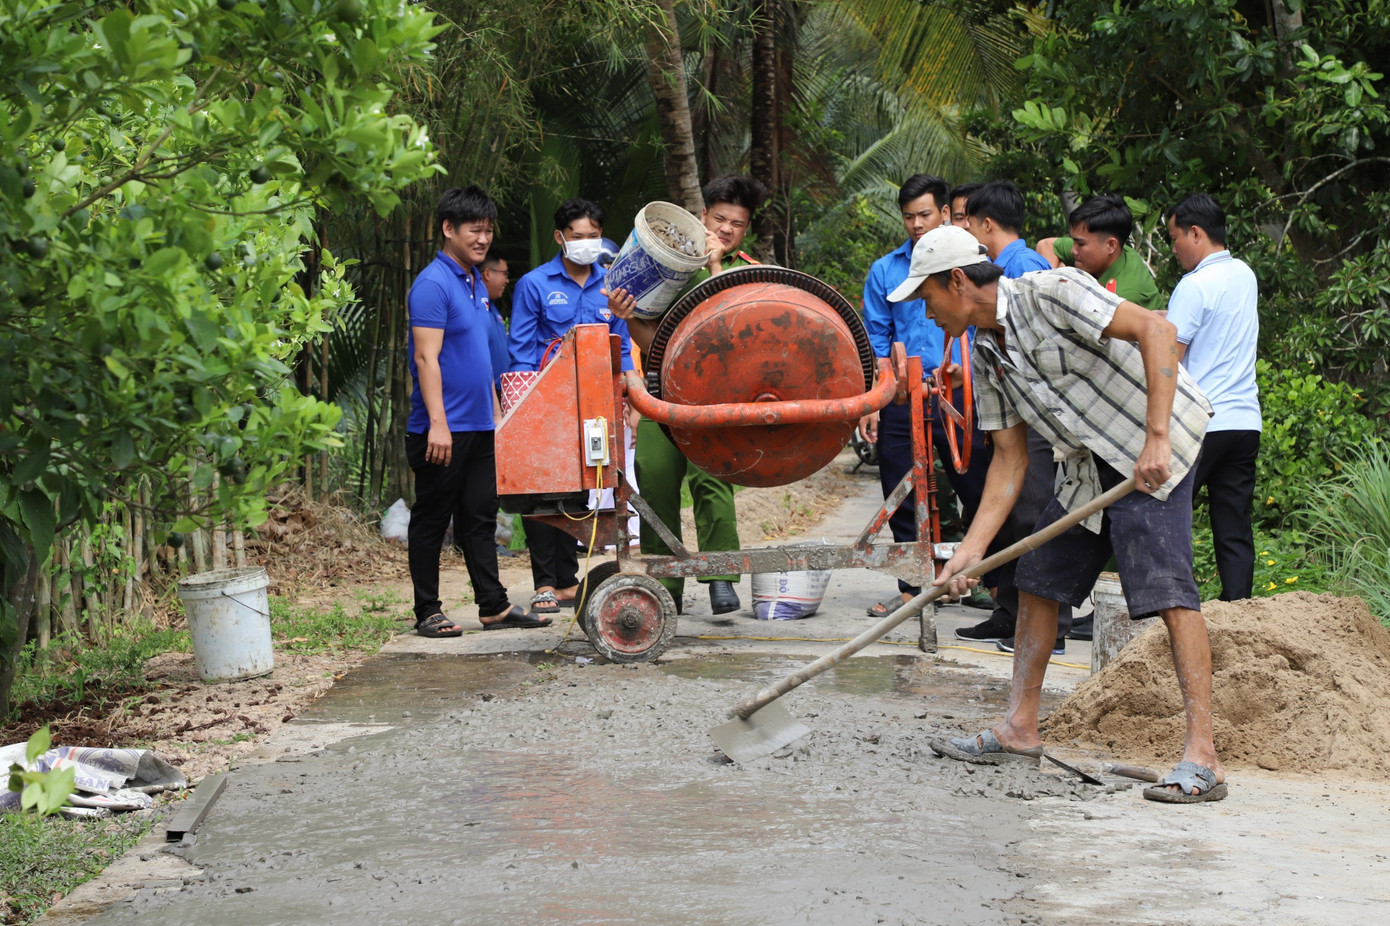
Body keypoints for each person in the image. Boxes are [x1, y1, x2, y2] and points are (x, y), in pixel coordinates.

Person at [896, 225, 1224, 804]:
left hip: (1153, 449)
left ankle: (1204, 757)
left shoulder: (1053, 291)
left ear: (956, 282)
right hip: (1087, 469)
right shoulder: (987, 352)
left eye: (926, 298)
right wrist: (971, 552)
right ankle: (1020, 726)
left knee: (1167, 589)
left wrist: (1154, 440)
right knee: (1038, 581)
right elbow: (1009, 460)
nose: (926, 313)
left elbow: (1158, 329)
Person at [610, 174, 768, 615]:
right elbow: (651, 340)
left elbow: (731, 328)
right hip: (666, 393)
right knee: (654, 476)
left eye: (736, 223)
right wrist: (625, 316)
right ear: (702, 217)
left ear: (745, 230)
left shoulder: (747, 271)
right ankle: (667, 588)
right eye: (719, 218)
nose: (726, 228)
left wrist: (715, 267)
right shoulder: (671, 264)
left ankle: (720, 577)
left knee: (711, 478)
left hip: (716, 396)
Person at [404, 186, 549, 636]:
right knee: (432, 519)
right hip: (441, 430)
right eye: (474, 230)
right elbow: (426, 359)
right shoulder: (432, 284)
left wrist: (496, 413)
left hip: (480, 424)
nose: (483, 239)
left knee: (480, 517)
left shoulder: (474, 282)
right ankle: (427, 610)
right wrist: (439, 426)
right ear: (449, 229)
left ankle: (494, 606)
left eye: (488, 231)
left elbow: (481, 356)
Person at [856, 174, 993, 617]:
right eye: (909, 217)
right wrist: (874, 401)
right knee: (901, 490)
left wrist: (966, 373)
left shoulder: (971, 263)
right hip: (901, 397)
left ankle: (995, 582)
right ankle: (913, 589)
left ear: (945, 215)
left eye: (925, 215)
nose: (917, 225)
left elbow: (984, 324)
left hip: (961, 393)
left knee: (978, 485)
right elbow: (877, 340)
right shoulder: (885, 270)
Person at [955, 180, 1073, 654]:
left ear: (986, 223)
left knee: (1036, 517)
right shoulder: (984, 330)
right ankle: (1014, 617)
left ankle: (1052, 629)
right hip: (1016, 412)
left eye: (967, 221)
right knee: (1016, 513)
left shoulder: (1022, 271)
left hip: (1044, 420)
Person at [508, 198, 634, 614]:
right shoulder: (534, 284)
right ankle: (544, 582)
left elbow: (623, 348)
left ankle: (567, 581)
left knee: (582, 486)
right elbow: (522, 351)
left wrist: (628, 396)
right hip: (546, 400)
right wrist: (525, 408)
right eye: (577, 237)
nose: (585, 243)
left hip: (596, 401)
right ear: (560, 238)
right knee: (543, 488)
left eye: (593, 236)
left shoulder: (611, 283)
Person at [1165, 193, 1261, 601]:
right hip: (1244, 422)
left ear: (1196, 233)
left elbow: (1169, 363)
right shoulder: (1245, 274)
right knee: (1233, 526)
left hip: (1200, 423)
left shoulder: (1193, 285)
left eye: (1174, 239)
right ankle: (1238, 611)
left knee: (1163, 517)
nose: (1173, 249)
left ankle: (1166, 608)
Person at [1035, 194, 1163, 311]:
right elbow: (1046, 245)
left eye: (1080, 244)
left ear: (1111, 245)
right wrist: (1054, 280)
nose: (1073, 250)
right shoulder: (1113, 252)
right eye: (1073, 241)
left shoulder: (1122, 298)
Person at [479, 253, 512, 394]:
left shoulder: (492, 306)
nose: (507, 280)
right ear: (487, 274)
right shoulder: (476, 307)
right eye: (504, 274)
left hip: (503, 391)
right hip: (486, 392)